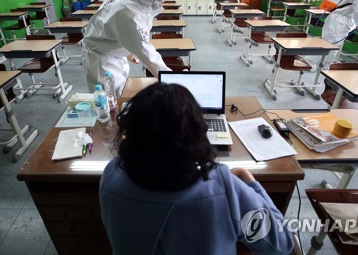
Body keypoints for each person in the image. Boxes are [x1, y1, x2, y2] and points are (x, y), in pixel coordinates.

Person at [99, 83, 294, 255]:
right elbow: (281, 243)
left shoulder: (111, 175)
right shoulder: (224, 188)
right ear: (195, 135)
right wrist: (250, 181)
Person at [82, 0, 173, 93]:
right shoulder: (129, 14)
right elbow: (149, 57)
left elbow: (113, 23)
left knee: (121, 91)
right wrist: (174, 80)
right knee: (110, 101)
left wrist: (129, 49)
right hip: (102, 59)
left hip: (108, 47)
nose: (159, 1)